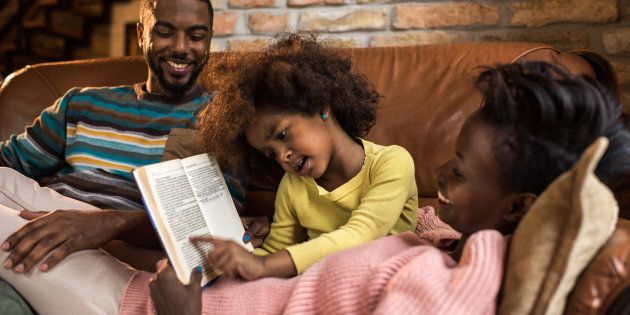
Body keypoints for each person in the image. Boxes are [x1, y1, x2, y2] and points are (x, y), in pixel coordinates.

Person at [135, 60, 628, 314]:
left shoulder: (460, 274)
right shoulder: (452, 249)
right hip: (214, 294)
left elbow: (359, 235)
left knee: (70, 253)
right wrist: (249, 255)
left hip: (176, 306)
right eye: (270, 153)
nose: (440, 175)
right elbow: (283, 260)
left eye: (459, 169)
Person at [0, 0, 245, 313]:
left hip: (123, 262)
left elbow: (207, 232)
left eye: (196, 36)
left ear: (209, 39)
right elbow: (9, 162)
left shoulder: (219, 121)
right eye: (166, 33)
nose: (182, 48)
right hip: (45, 228)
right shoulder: (82, 104)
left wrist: (106, 224)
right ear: (142, 34)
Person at [194, 34, 419, 279]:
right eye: (271, 154)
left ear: (320, 106)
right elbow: (274, 251)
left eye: (281, 135)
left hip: (386, 278)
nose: (282, 156)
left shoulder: (392, 162)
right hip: (323, 282)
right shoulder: (292, 187)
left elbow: (361, 235)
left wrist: (262, 266)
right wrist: (227, 262)